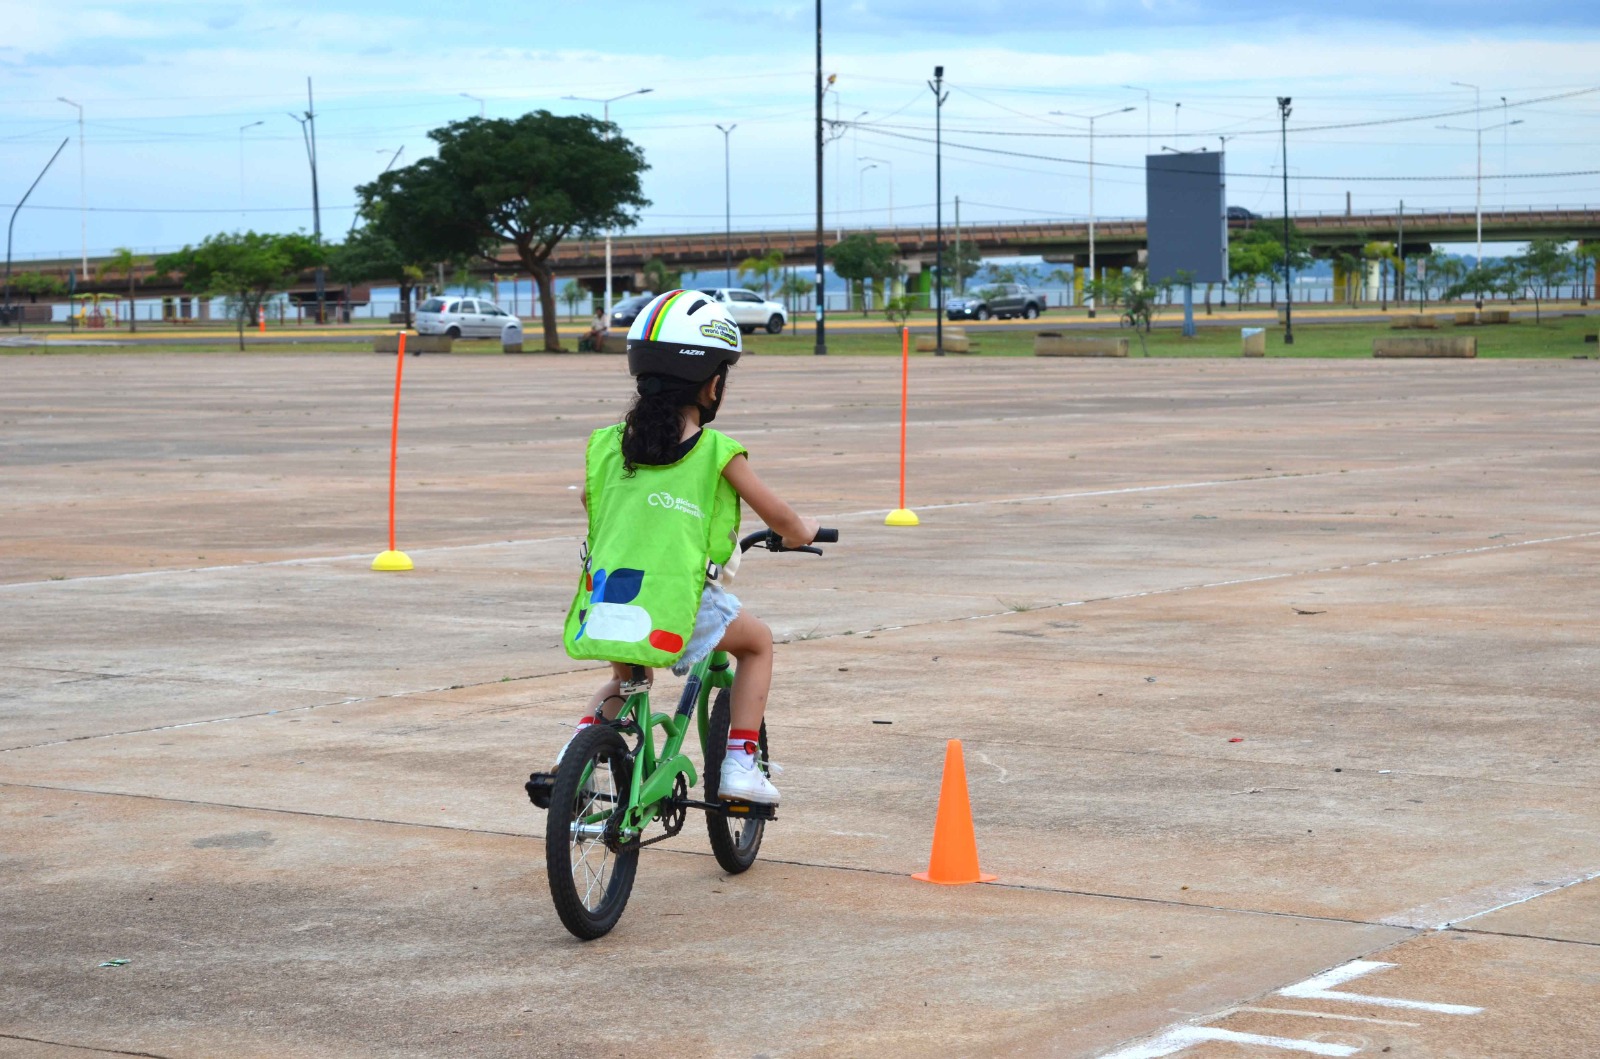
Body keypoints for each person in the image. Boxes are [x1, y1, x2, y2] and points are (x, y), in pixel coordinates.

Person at [560, 289, 818, 804]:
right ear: (713, 383)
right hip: (681, 602)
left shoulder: (604, 445)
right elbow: (780, 517)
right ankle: (742, 763)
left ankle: (573, 760)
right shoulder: (717, 450)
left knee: (631, 682)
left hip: (609, 598)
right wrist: (800, 532)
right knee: (757, 643)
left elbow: (595, 505)